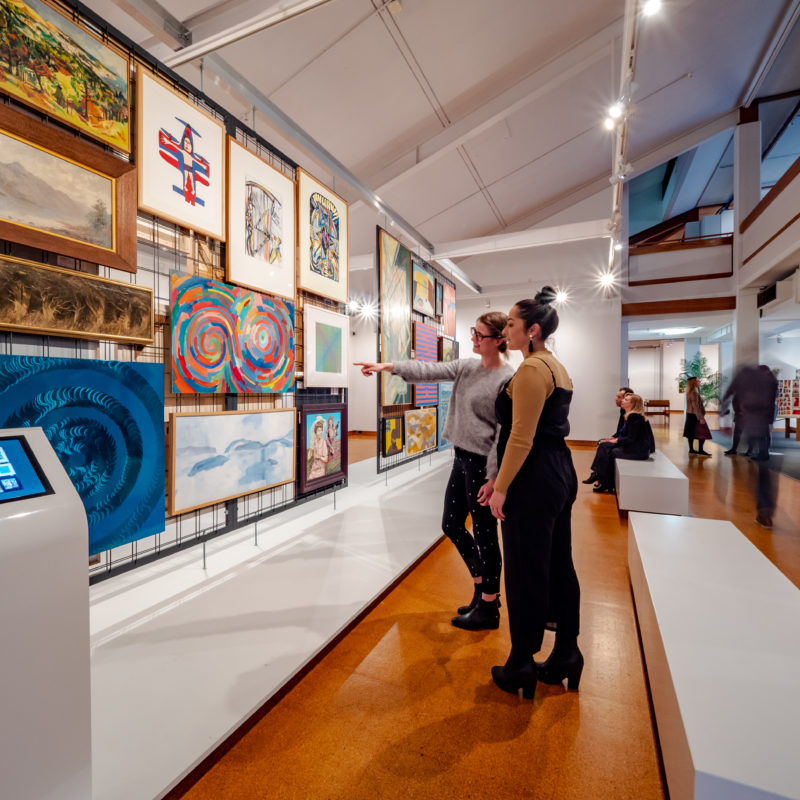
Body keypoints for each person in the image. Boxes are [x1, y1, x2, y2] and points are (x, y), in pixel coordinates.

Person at [355, 312, 514, 630]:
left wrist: (495, 479)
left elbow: (503, 434)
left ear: (498, 340)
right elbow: (432, 370)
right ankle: (482, 587)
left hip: (483, 464)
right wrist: (390, 367)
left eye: (479, 335)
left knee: (485, 535)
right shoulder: (468, 367)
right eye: (474, 332)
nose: (474, 339)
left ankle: (489, 605)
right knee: (452, 524)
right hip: (462, 457)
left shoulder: (506, 380)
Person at [478, 288, 581, 699]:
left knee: (524, 570)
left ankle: (522, 661)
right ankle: (566, 653)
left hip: (534, 478)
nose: (506, 329)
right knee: (557, 564)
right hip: (558, 472)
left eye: (512, 324)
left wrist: (501, 487)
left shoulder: (532, 371)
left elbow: (521, 438)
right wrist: (497, 478)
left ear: (533, 330)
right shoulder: (553, 365)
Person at [721, 364, 779, 526]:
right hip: (759, 425)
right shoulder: (769, 380)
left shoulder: (745, 374)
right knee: (764, 470)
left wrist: (724, 416)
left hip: (752, 424)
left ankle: (764, 510)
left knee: (761, 472)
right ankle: (765, 510)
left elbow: (728, 396)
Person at [585, 393, 655, 492]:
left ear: (633, 404)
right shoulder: (631, 415)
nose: (622, 400)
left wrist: (616, 440)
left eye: (626, 400)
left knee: (606, 449)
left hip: (638, 451)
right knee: (604, 446)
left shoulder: (634, 416)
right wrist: (614, 439)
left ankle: (601, 478)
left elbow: (631, 438)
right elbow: (625, 435)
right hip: (636, 449)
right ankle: (603, 479)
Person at [683, 376, 711, 456]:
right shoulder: (694, 393)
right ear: (693, 383)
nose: (699, 382)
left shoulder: (689, 393)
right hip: (695, 415)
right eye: (698, 381)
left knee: (691, 433)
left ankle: (691, 449)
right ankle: (700, 450)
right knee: (703, 432)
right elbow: (696, 407)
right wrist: (700, 418)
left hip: (690, 415)